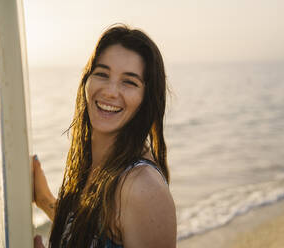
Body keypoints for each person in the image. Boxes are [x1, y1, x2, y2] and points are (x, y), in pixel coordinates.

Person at [32, 24, 176, 248]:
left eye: (129, 82)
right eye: (102, 74)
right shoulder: (95, 164)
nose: (110, 91)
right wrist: (44, 200)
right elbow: (89, 233)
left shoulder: (142, 187)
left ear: (145, 98)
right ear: (87, 81)